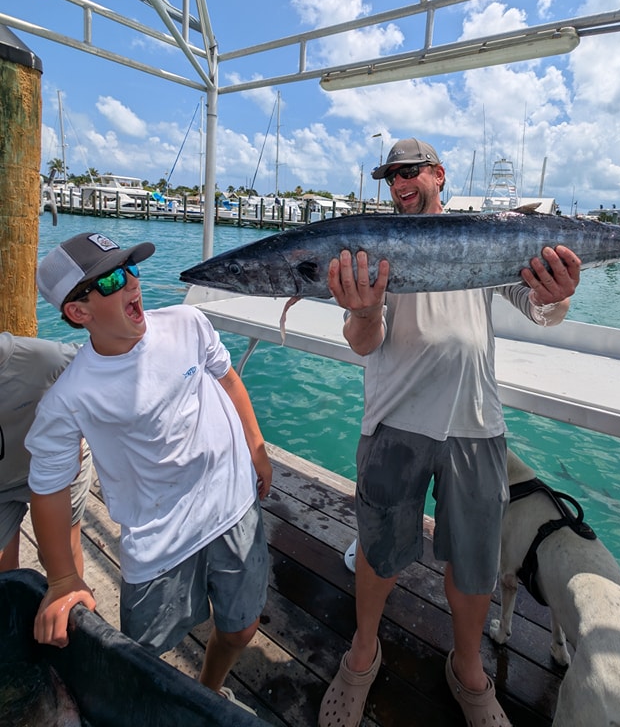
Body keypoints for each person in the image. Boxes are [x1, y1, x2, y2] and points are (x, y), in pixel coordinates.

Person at [320, 139, 581, 727]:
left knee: (474, 563)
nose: (400, 184)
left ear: (439, 175)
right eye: (391, 177)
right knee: (379, 551)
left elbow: (536, 304)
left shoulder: (485, 234)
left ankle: (468, 670)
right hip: (393, 419)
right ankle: (363, 652)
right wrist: (363, 311)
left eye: (411, 173)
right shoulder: (372, 248)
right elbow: (363, 343)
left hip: (476, 420)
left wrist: (556, 295)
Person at [26, 232, 272, 710]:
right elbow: (49, 485)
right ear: (79, 312)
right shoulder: (70, 397)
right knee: (144, 663)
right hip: (159, 539)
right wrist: (60, 579)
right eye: (114, 279)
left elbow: (226, 375)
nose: (132, 283)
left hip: (233, 504)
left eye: (132, 268)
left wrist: (255, 445)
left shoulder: (188, 323)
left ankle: (208, 689)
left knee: (241, 627)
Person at [0, 332, 92, 574]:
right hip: (2, 481)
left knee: (60, 554)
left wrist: (79, 430)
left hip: (58, 466)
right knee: (4, 569)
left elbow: (99, 367)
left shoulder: (40, 357)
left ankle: (74, 608)